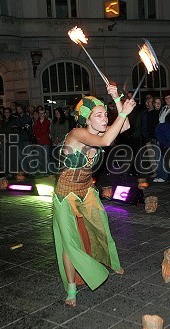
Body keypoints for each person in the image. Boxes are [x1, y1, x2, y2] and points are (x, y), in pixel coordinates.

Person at [53, 85, 135, 307]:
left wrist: (116, 97)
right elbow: (107, 141)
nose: (104, 118)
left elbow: (124, 124)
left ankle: (111, 261)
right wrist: (124, 111)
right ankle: (71, 289)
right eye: (98, 115)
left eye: (105, 114)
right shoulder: (77, 133)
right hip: (65, 194)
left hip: (87, 189)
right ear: (87, 120)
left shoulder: (100, 131)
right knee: (70, 243)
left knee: (102, 227)